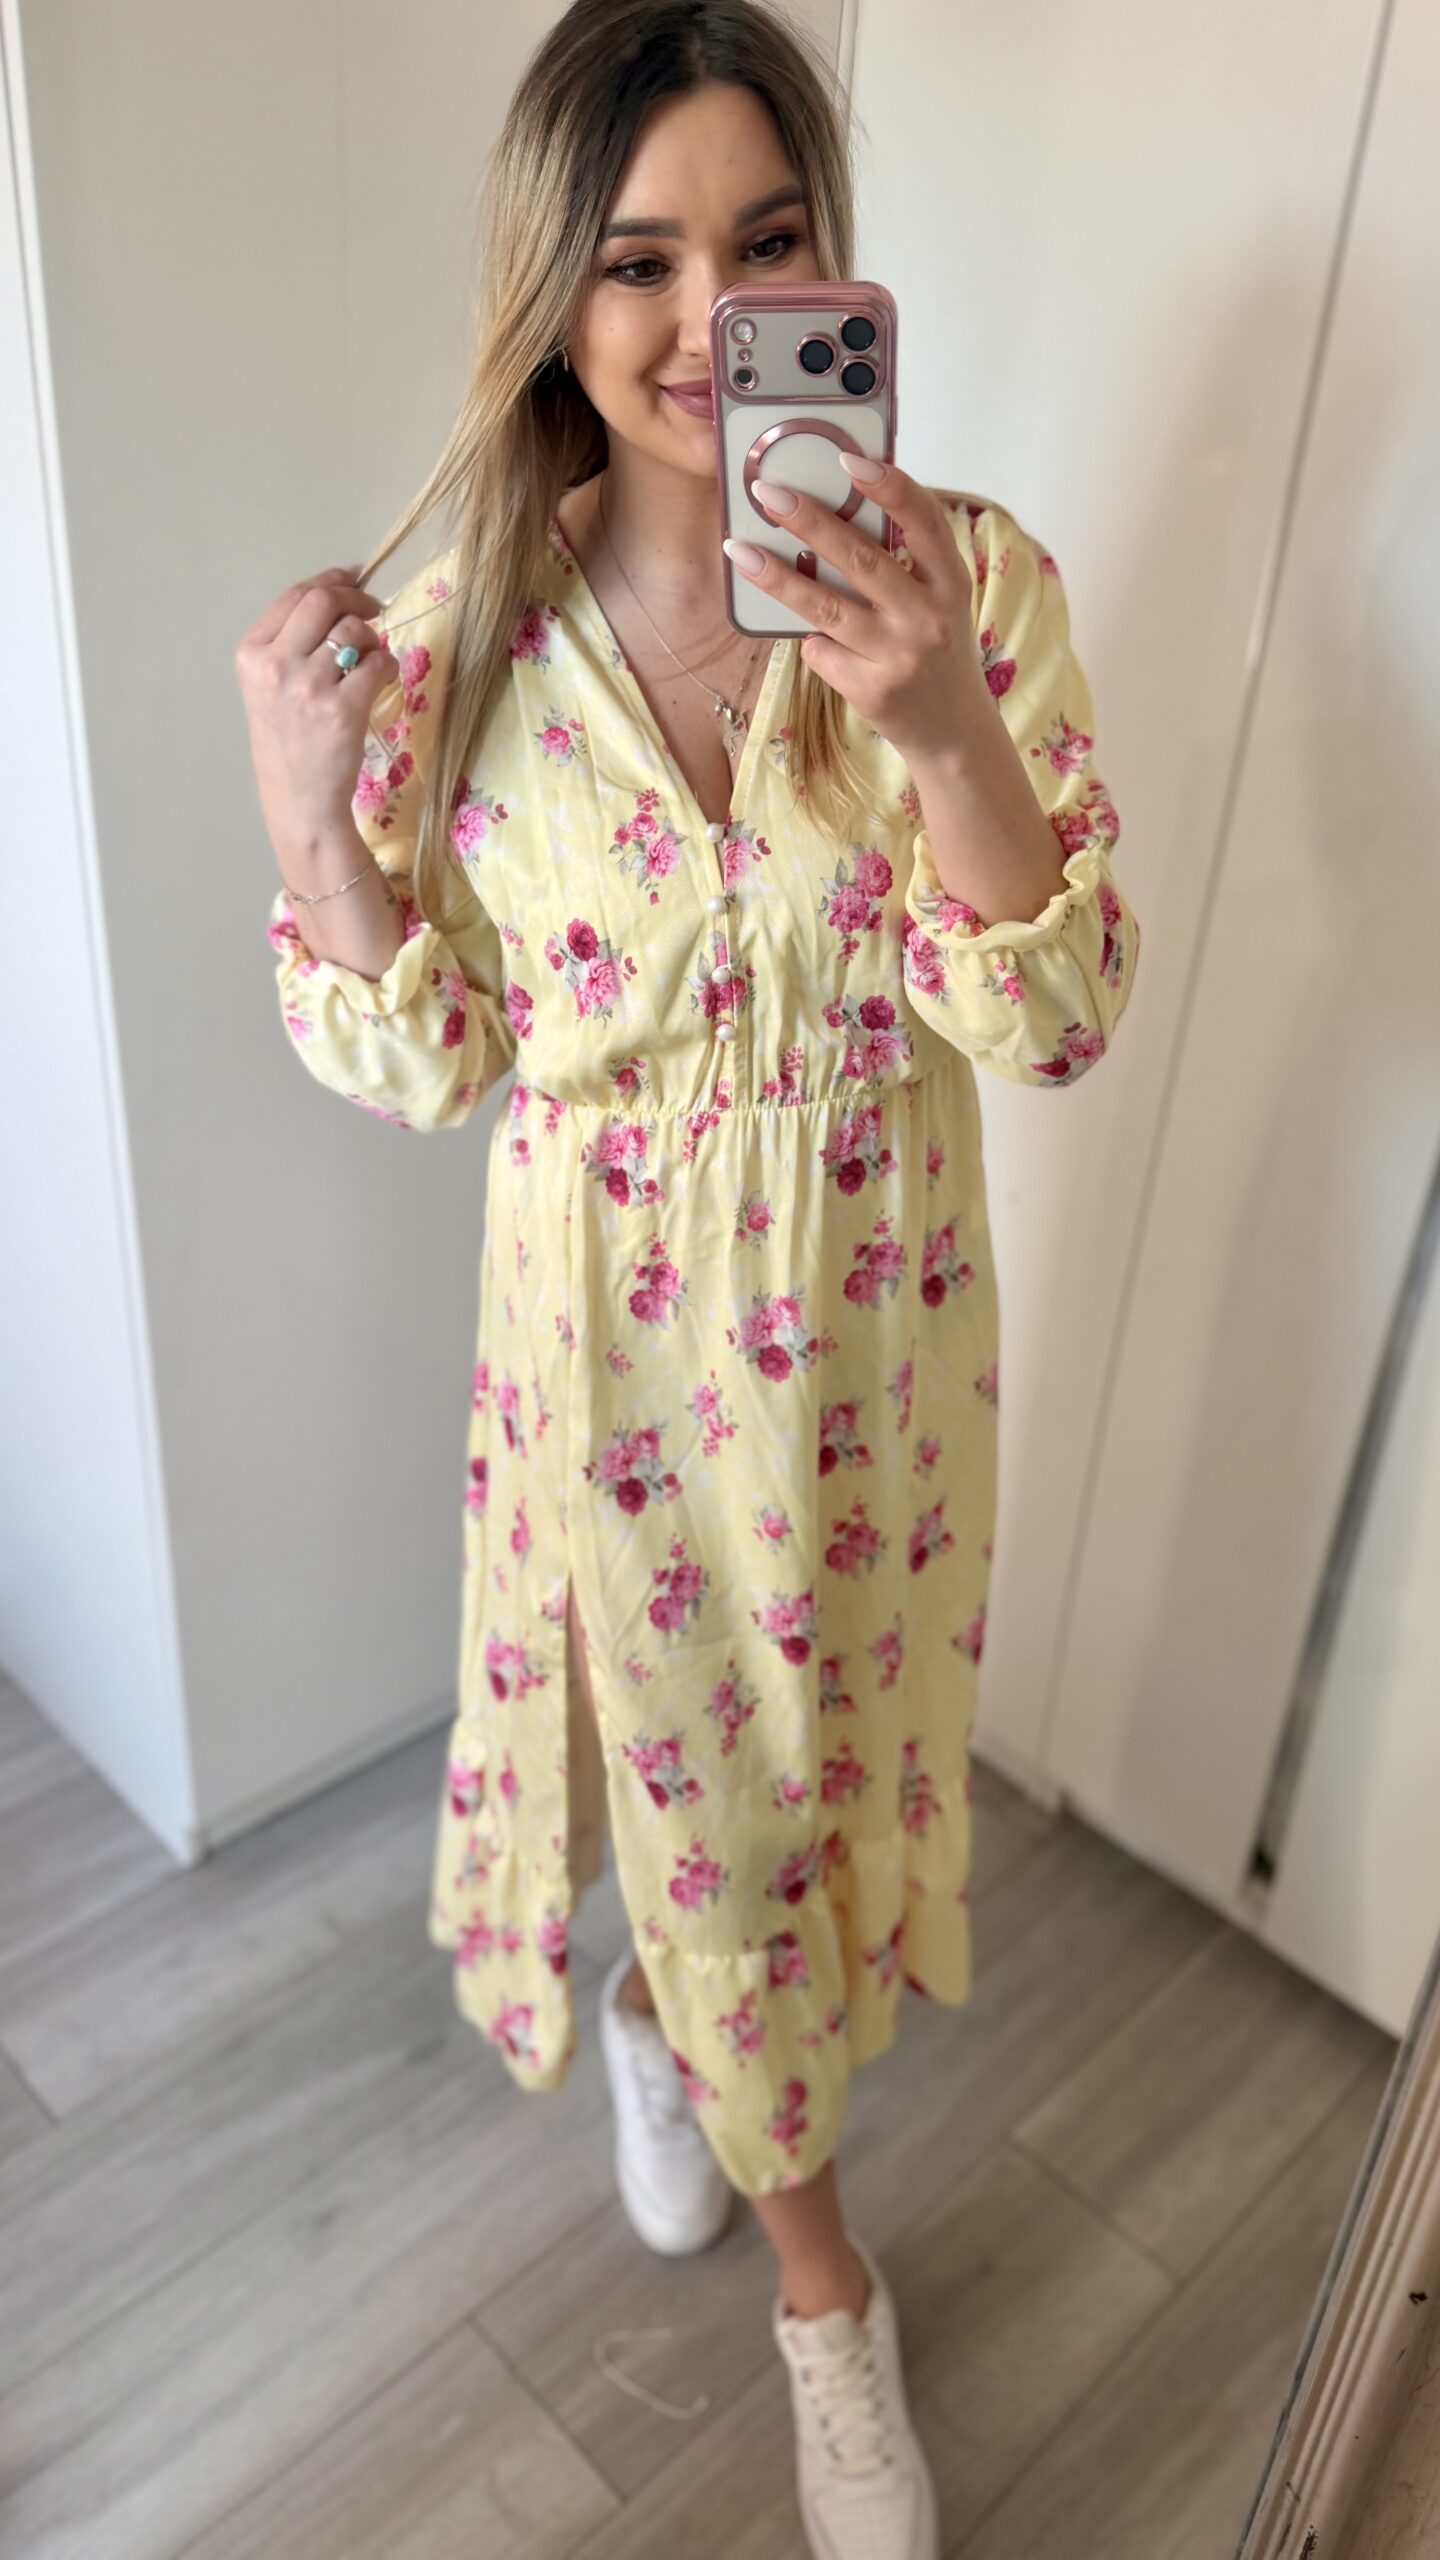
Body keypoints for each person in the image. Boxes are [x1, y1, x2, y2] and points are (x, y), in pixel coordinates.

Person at [234, 4, 1140, 2551]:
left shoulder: (973, 587)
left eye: (768, 241)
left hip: (882, 1341)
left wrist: (939, 723)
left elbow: (1060, 1011)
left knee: (806, 1776)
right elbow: (424, 1057)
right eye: (636, 259)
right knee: (712, 1814)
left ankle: (670, 2017)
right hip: (616, 1355)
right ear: (553, 293)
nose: (708, 316)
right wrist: (312, 826)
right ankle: (825, 2295)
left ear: (837, 261)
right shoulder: (463, 644)